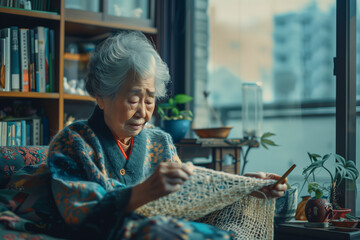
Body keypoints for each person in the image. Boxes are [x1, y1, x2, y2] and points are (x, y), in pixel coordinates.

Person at [45, 31, 287, 240]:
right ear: (101, 96)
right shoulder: (73, 142)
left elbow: (192, 202)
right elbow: (79, 219)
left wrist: (245, 187)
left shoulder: (159, 141)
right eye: (133, 99)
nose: (142, 111)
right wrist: (142, 192)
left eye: (150, 99)